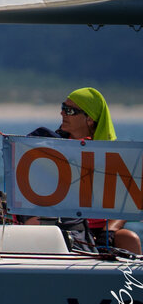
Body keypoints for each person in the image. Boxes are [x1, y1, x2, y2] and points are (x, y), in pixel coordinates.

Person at [57, 87, 140, 254]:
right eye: (63, 107)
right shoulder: (51, 147)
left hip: (102, 230)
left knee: (130, 238)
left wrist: (109, 231)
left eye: (70, 110)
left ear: (89, 119)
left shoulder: (114, 155)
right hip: (64, 227)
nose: (62, 113)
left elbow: (128, 202)